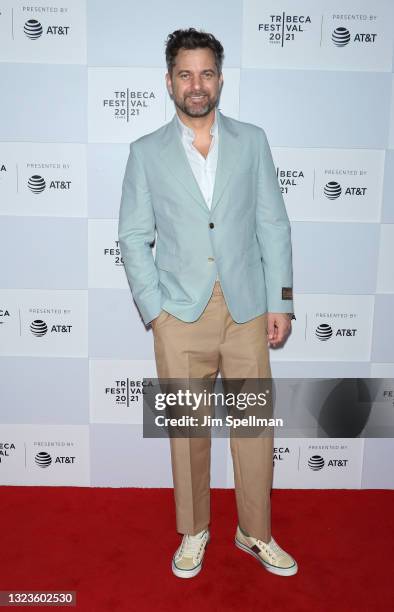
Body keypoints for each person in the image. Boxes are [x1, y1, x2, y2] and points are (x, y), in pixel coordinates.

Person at [118, 27, 297, 578]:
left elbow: (273, 224)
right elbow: (132, 237)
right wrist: (156, 312)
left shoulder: (253, 141)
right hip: (180, 315)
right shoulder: (144, 152)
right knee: (187, 432)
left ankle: (255, 532)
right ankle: (194, 530)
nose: (197, 85)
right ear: (169, 81)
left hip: (246, 311)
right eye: (185, 74)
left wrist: (281, 301)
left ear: (221, 78)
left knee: (253, 430)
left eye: (207, 73)